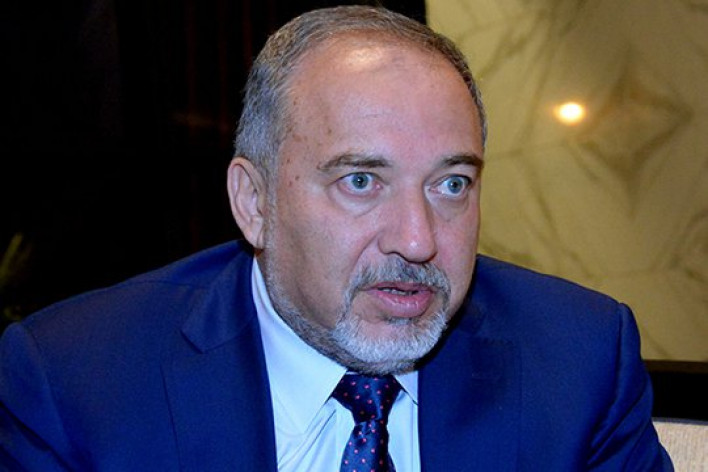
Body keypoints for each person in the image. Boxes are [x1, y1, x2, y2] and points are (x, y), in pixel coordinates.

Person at [0, 5, 671, 471]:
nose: (417, 240)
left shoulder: (578, 362)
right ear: (254, 203)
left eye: (451, 184)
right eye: (361, 181)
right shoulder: (72, 384)